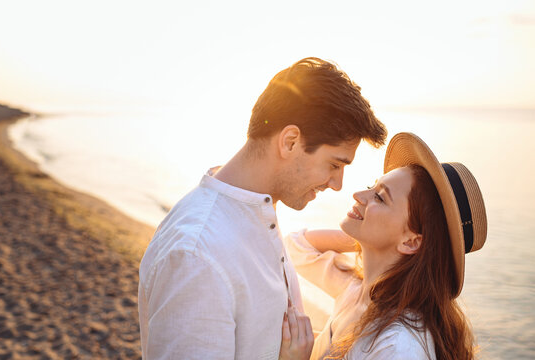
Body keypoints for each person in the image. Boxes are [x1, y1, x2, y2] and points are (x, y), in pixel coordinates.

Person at [138, 57, 388, 359]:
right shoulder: (197, 257)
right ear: (290, 142)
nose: (337, 184)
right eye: (334, 164)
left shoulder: (255, 216)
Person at [285, 132, 487, 359]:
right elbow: (296, 245)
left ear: (411, 241)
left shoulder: (399, 346)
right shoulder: (359, 292)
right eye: (372, 186)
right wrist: (368, 240)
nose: (359, 195)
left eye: (380, 197)